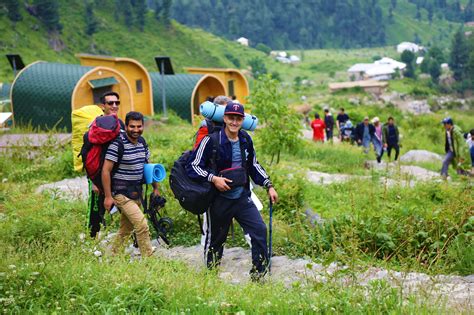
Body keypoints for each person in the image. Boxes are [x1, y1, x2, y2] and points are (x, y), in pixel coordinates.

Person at [186, 102, 278, 281]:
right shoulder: (211, 140)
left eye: (238, 119)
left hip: (242, 198)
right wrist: (214, 179)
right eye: (231, 118)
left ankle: (258, 275)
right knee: (216, 241)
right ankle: (211, 278)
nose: (234, 122)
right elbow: (193, 166)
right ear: (225, 118)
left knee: (259, 230)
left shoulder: (245, 139)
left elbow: (253, 165)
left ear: (242, 120)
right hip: (219, 200)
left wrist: (269, 185)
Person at [102, 111, 159, 257]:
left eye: (139, 126)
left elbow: (148, 166)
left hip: (136, 192)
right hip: (120, 193)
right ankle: (149, 260)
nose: (136, 130)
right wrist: (108, 197)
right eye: (132, 126)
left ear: (143, 126)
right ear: (126, 126)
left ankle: (113, 257)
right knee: (142, 225)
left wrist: (155, 188)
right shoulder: (117, 144)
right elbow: (106, 171)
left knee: (125, 229)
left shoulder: (142, 142)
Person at [88, 91, 125, 238]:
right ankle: (91, 239)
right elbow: (88, 155)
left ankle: (132, 239)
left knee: (127, 206)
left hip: (118, 175)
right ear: (103, 106)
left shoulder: (120, 124)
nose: (114, 106)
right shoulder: (96, 125)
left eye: (117, 103)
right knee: (96, 210)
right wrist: (93, 182)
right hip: (98, 175)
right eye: (110, 103)